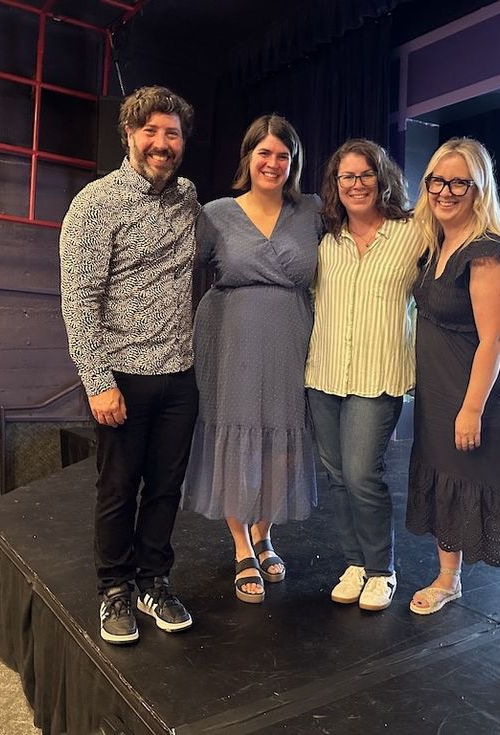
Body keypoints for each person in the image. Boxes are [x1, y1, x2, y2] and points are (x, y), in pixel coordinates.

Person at [406, 136, 500, 674]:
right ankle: (449, 579)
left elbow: (494, 339)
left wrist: (470, 409)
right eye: (436, 181)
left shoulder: (485, 250)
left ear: (478, 189)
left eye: (458, 182)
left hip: (484, 397)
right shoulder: (432, 242)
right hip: (441, 388)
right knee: (448, 480)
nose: (445, 191)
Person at [60, 85, 199, 645]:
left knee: (166, 489)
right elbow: (78, 298)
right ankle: (114, 589)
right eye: (151, 132)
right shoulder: (96, 203)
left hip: (180, 375)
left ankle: (153, 580)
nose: (161, 143)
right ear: (129, 135)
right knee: (119, 489)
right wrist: (98, 382)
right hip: (122, 378)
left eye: (171, 134)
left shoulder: (187, 196)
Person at [183, 115, 320, 603]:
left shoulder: (312, 212)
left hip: (292, 337)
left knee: (282, 437)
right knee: (233, 431)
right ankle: (241, 544)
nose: (273, 162)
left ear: (294, 163)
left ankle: (264, 532)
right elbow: (176, 271)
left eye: (283, 155)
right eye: (264, 153)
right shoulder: (216, 213)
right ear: (248, 158)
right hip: (230, 335)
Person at [305, 139, 427, 612]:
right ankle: (354, 562)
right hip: (324, 371)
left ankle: (381, 569)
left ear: (382, 179)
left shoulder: (412, 234)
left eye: (365, 175)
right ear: (336, 186)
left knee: (361, 474)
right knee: (337, 476)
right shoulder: (325, 241)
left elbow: (462, 268)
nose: (356, 184)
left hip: (379, 374)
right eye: (346, 177)